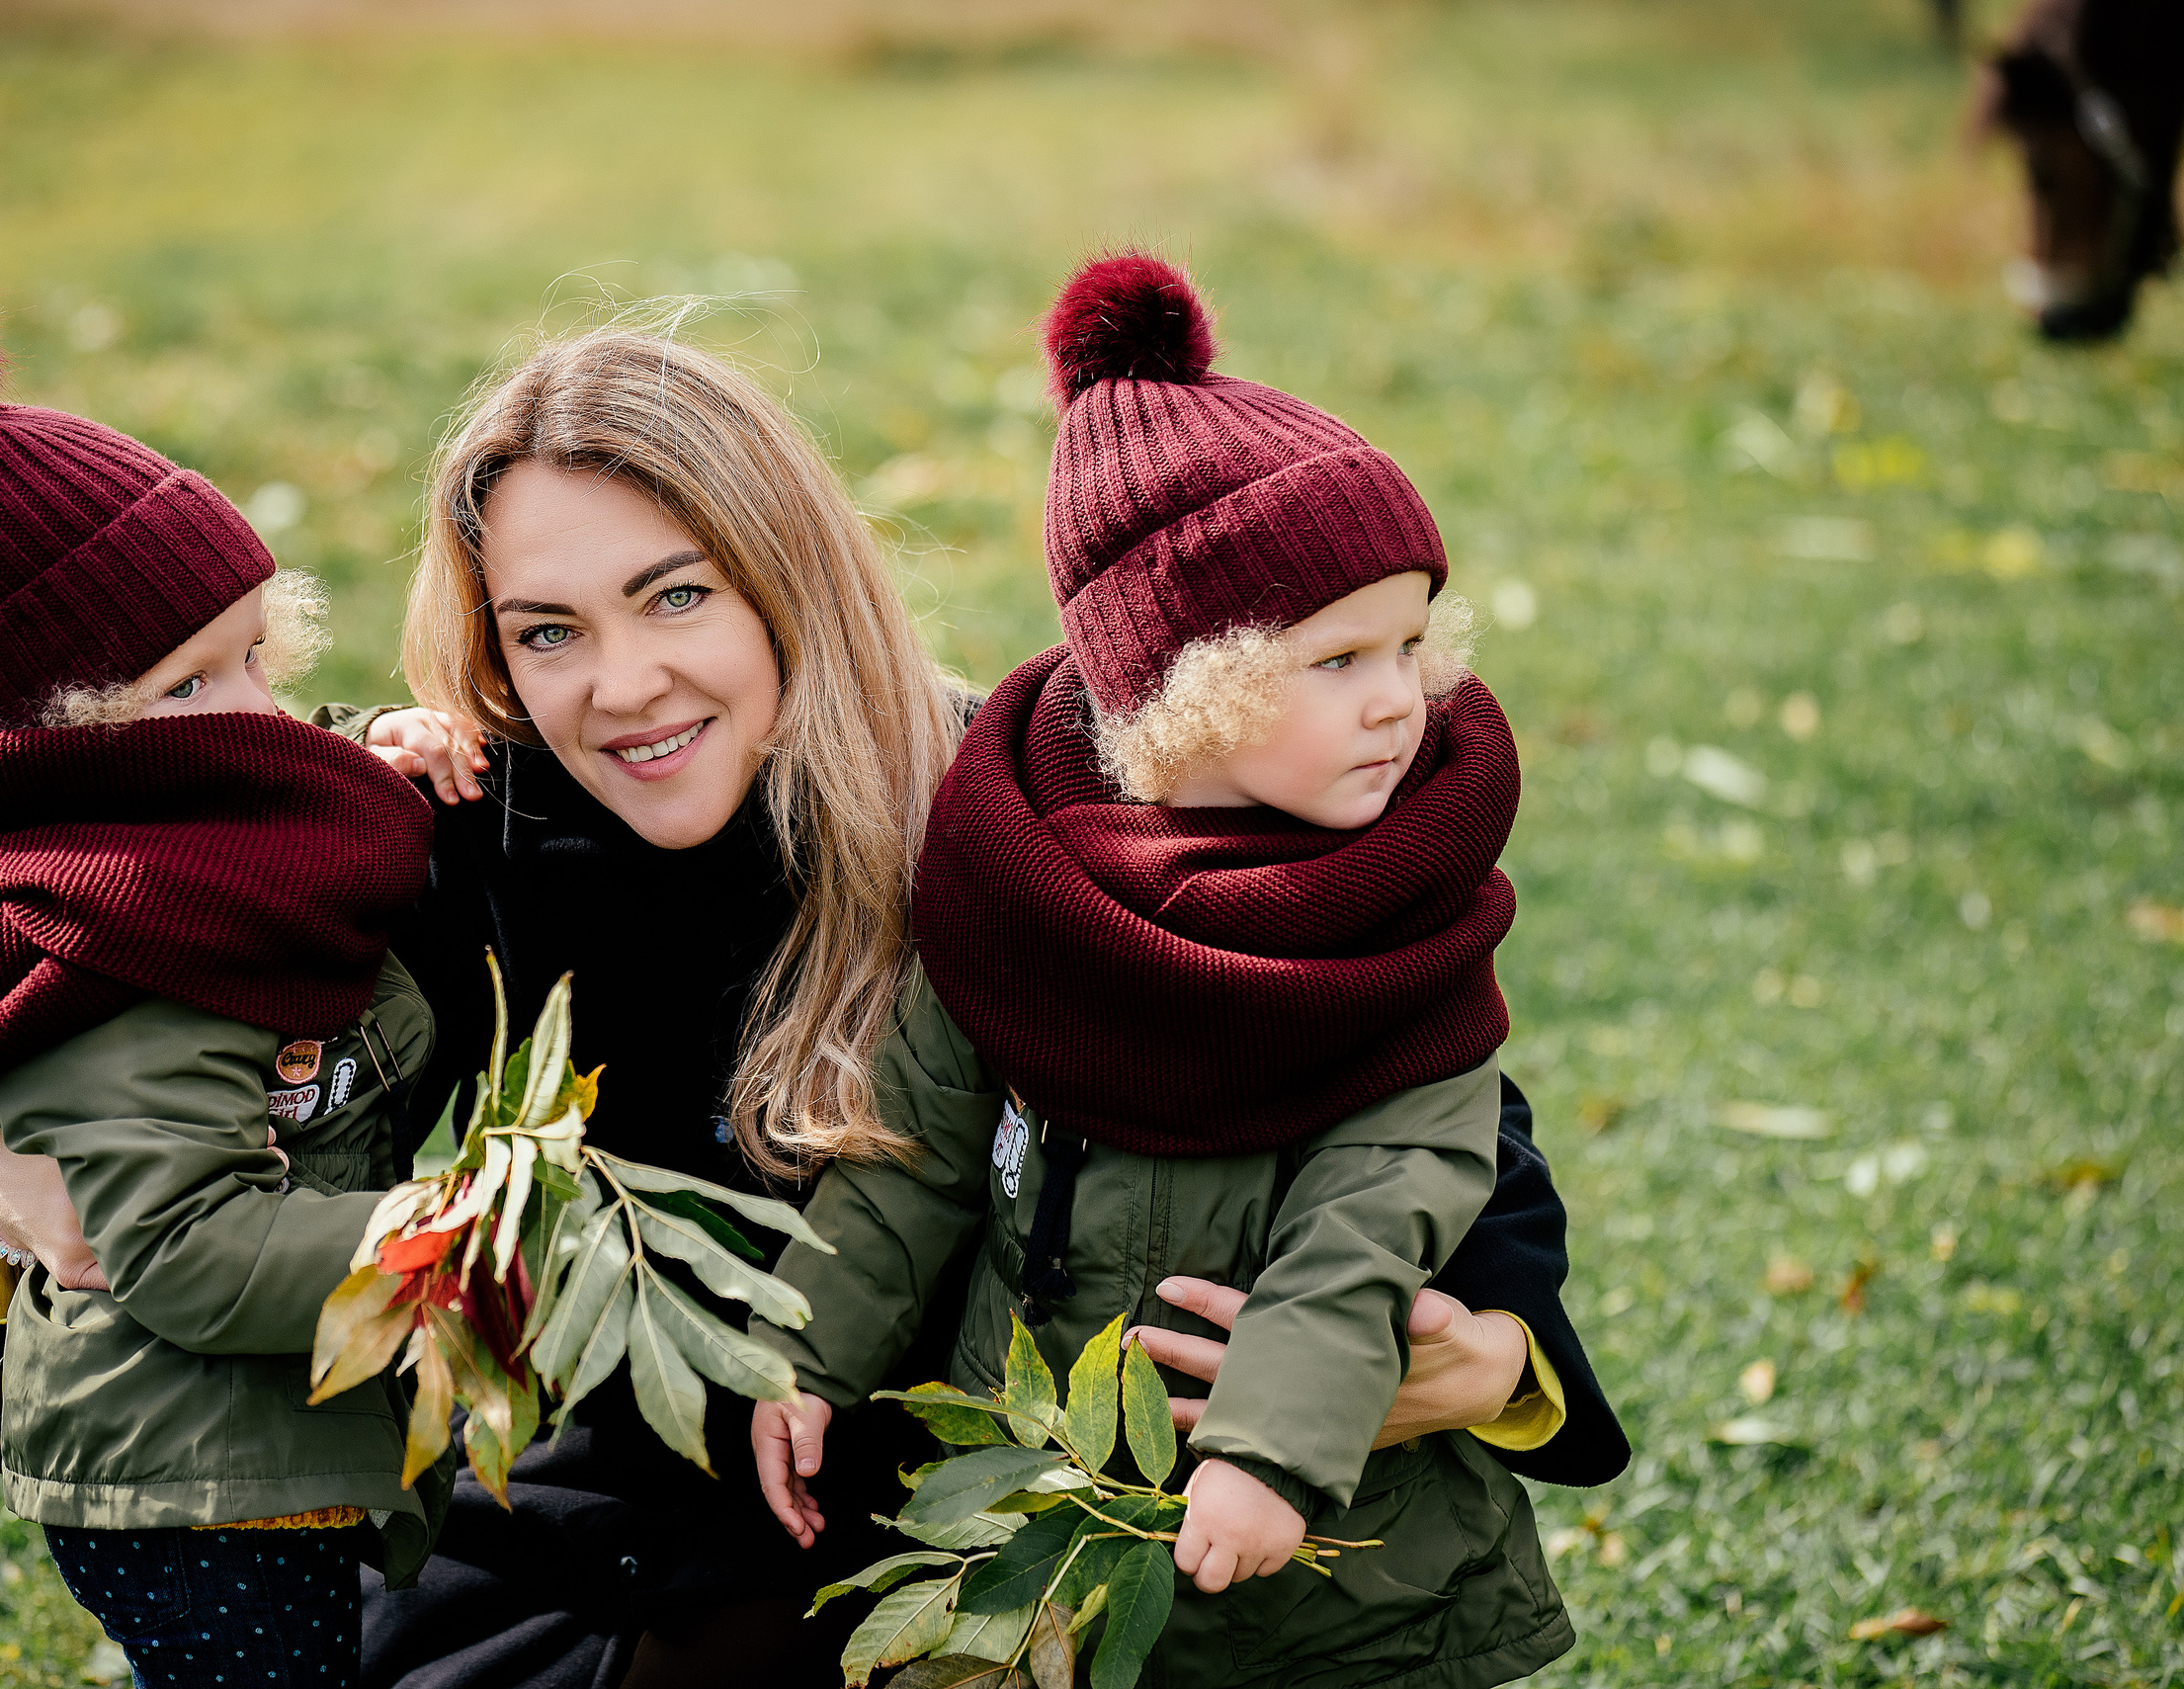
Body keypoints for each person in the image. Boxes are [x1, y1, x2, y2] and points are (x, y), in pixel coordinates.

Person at [334, 316, 1625, 1688]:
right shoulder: (494, 839)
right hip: (599, 1530)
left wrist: (1501, 1354)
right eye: (549, 631)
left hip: (942, 1532)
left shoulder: (997, 814)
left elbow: (1386, 1057)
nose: (624, 683)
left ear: (787, 578)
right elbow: (257, 1094)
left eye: (678, 596)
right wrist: (329, 816)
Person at [751, 253, 1574, 1685]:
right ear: (1183, 694)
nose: (1401, 698)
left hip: (1336, 1584)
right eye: (1337, 661)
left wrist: (1268, 1448)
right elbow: (916, 1162)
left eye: (1411, 643)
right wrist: (811, 1353)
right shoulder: (1022, 894)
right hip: (1044, 1530)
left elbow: (1369, 1222)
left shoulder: (1400, 932)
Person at [0, 251, 450, 1689]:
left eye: (256, 661)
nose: (262, 720)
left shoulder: (178, 820)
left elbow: (274, 770)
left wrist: (376, 748)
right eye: (193, 686)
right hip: (198, 1491)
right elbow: (187, 1255)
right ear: (67, 732)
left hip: (260, 1447)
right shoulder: (132, 953)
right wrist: (453, 1252)